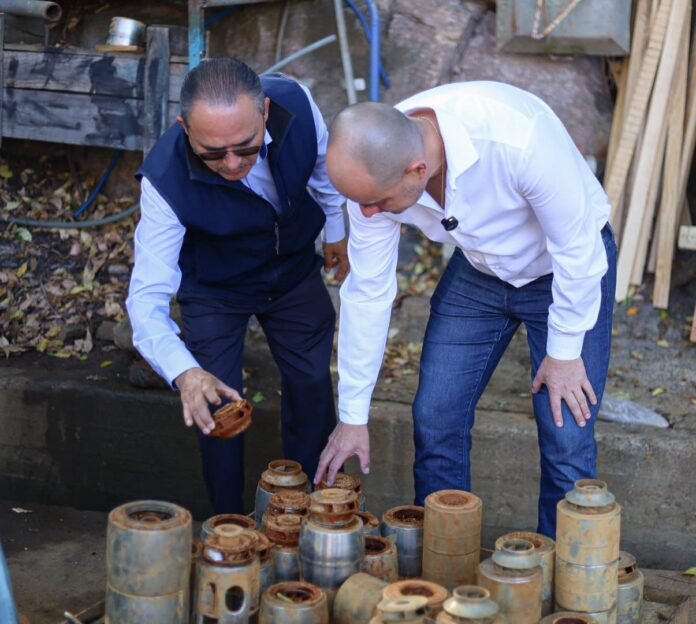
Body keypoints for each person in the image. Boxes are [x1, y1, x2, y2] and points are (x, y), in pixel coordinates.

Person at [315, 81, 617, 537]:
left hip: (565, 271)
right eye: (360, 203)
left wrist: (564, 351)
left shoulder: (517, 139)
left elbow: (578, 251)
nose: (368, 214)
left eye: (377, 204)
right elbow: (368, 292)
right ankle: (445, 559)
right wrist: (352, 416)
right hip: (480, 271)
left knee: (565, 432)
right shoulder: (371, 175)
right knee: (435, 416)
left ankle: (565, 572)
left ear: (418, 169)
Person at [126, 57, 348, 514]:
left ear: (265, 112)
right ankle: (229, 522)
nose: (231, 163)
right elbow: (146, 299)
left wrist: (336, 228)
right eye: (213, 153)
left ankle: (314, 509)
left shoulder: (295, 102)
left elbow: (324, 166)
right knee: (216, 402)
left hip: (291, 267)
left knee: (311, 383)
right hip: (215, 287)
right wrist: (184, 373)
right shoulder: (165, 180)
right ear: (185, 128)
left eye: (246, 148)